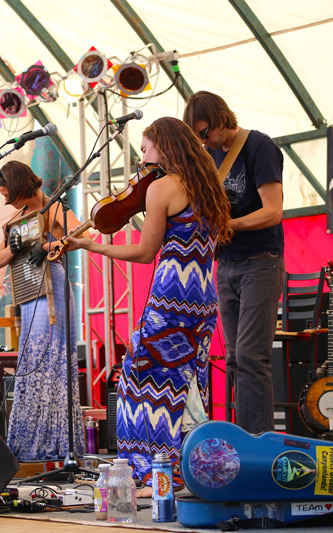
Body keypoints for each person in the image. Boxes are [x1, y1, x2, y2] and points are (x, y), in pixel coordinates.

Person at [65, 117, 232, 494]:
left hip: (171, 296)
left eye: (144, 149)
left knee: (142, 381)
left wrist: (93, 246)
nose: (142, 157)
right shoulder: (208, 185)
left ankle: (154, 475)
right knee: (188, 380)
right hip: (203, 297)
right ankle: (190, 469)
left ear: (164, 146)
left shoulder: (163, 188)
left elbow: (143, 252)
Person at [183, 91, 285, 435]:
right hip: (225, 264)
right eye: (197, 135)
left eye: (204, 131)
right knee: (233, 359)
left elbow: (273, 210)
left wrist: (231, 226)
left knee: (251, 356)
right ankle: (241, 436)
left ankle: (258, 439)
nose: (203, 140)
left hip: (261, 261)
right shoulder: (210, 155)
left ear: (223, 117)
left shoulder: (260, 146)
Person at [0, 160, 87, 461]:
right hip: (30, 293)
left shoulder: (54, 207)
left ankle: (57, 444)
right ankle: (31, 443)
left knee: (51, 362)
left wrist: (46, 247)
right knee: (32, 363)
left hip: (52, 290)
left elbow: (82, 235)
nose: (6, 201)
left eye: (8, 195)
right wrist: (16, 247)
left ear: (19, 187)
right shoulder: (16, 221)